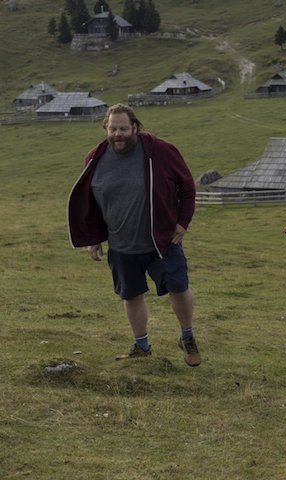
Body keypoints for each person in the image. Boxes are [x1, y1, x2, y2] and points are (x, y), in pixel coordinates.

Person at [67, 103, 201, 367]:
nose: (118, 134)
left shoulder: (160, 151)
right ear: (106, 129)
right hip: (121, 245)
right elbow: (91, 201)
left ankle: (187, 336)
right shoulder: (94, 158)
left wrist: (183, 222)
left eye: (123, 129)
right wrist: (93, 236)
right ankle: (141, 346)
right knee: (130, 296)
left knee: (179, 287)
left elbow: (187, 186)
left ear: (136, 128)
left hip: (161, 240)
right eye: (112, 129)